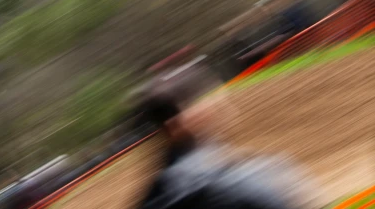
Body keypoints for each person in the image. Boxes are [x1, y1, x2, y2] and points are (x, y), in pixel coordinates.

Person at [134, 66, 317, 209]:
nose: (219, 101)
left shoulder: (155, 195)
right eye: (203, 98)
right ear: (176, 125)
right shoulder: (246, 183)